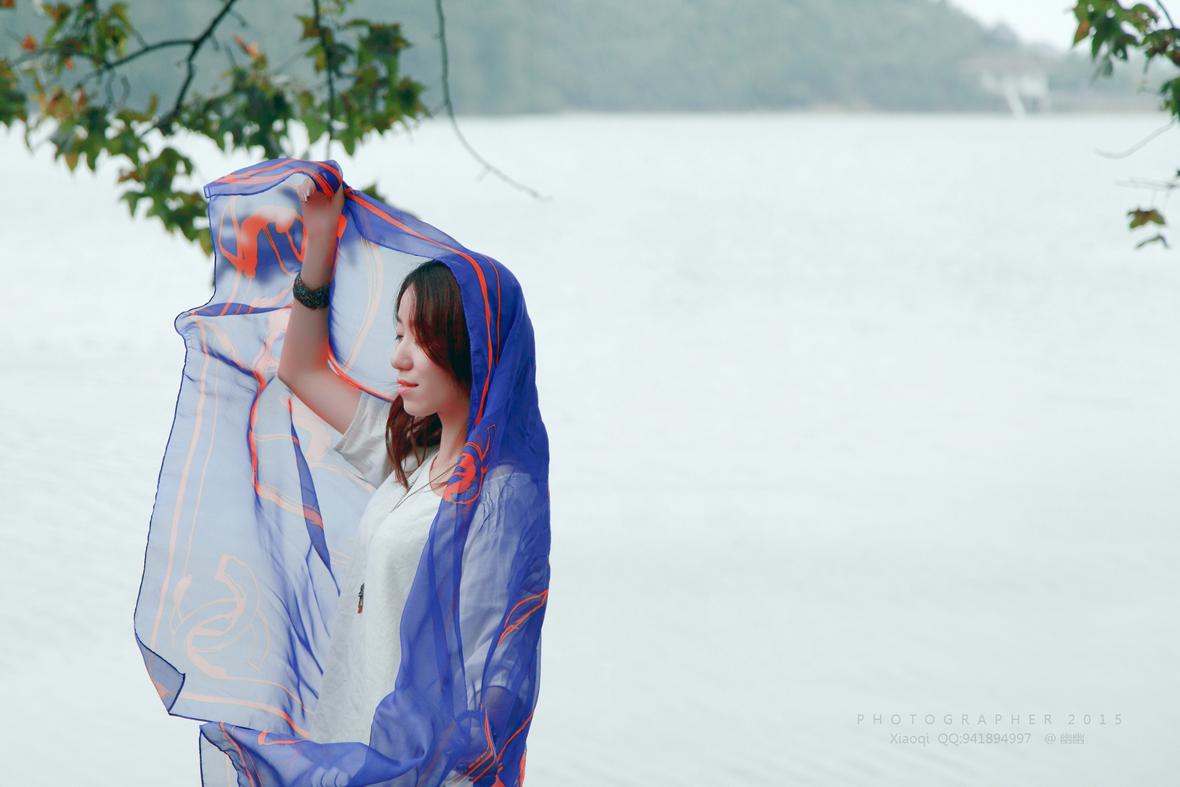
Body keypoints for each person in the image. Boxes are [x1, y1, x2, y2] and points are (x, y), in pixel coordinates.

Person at [276, 180, 480, 785]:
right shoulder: (409, 458)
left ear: (469, 347)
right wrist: (320, 238)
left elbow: (487, 667)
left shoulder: (491, 499)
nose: (400, 358)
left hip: (417, 770)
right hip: (346, 749)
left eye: (422, 338)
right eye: (397, 334)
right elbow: (300, 369)